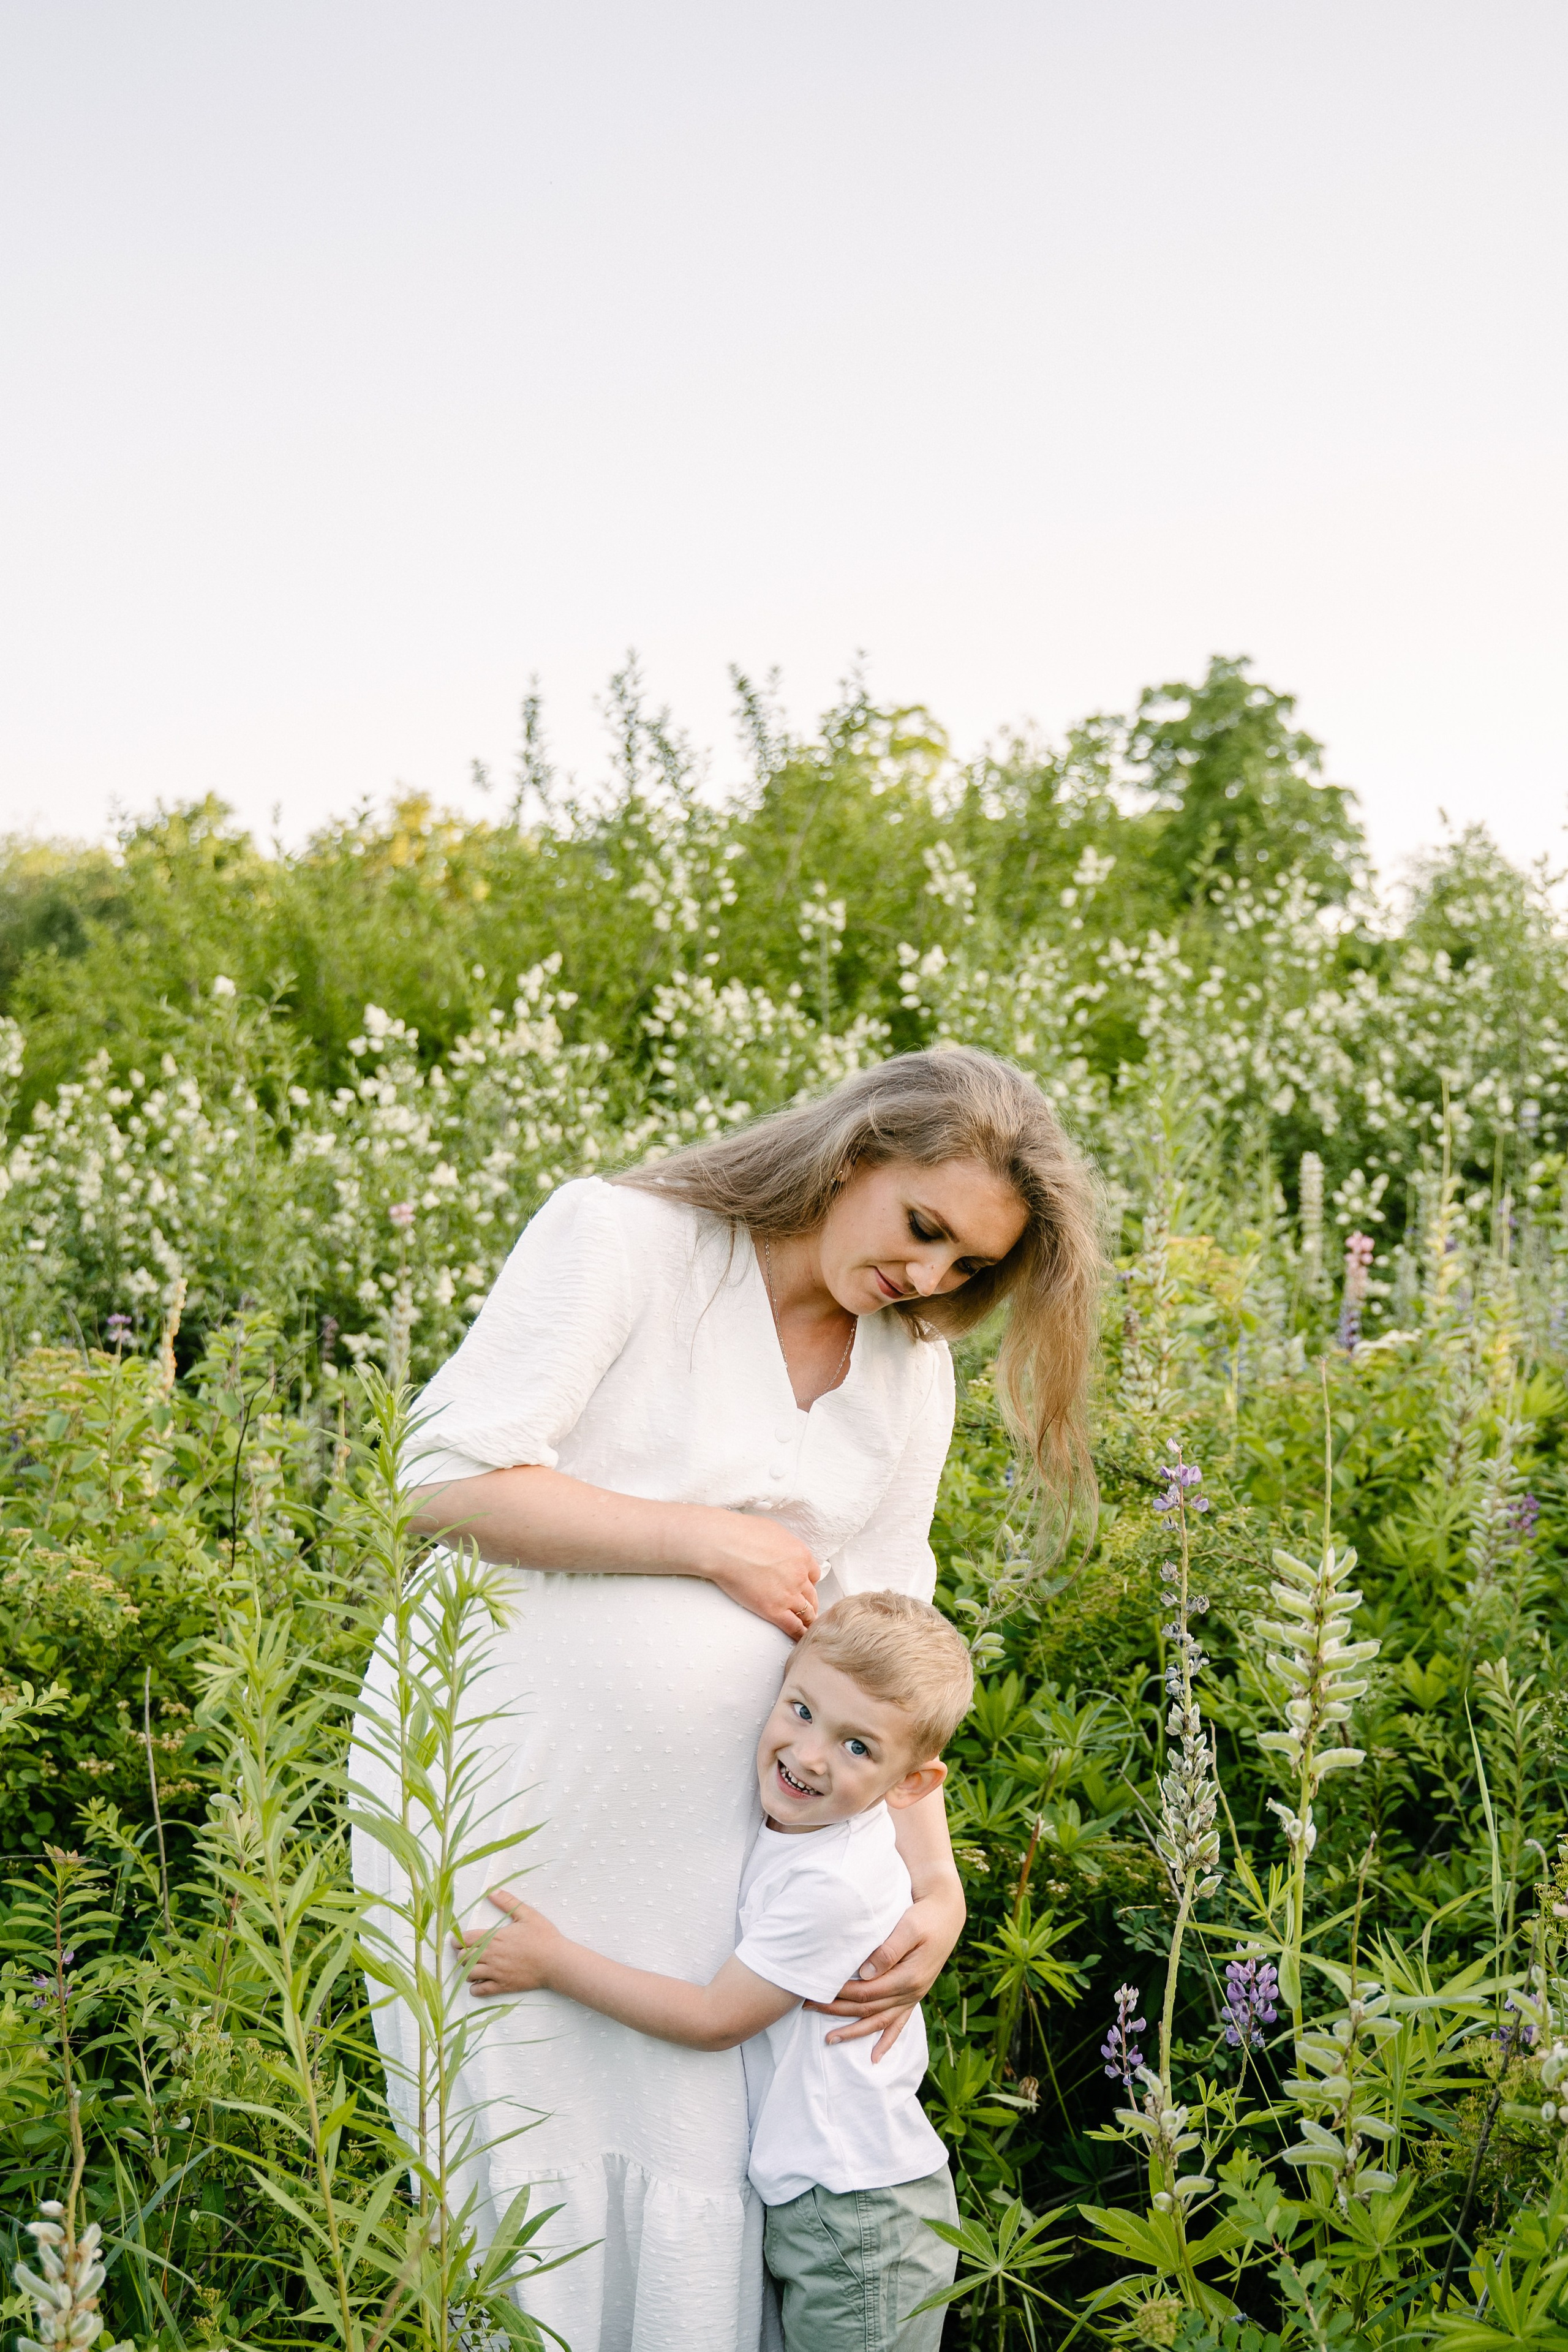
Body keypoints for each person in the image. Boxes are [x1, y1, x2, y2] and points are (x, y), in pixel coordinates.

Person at [351, 1045, 1100, 2351]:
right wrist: (704, 1539)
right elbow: (440, 1481)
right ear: (854, 1148)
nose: (928, 1278)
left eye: (966, 1267)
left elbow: (895, 1634)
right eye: (923, 1227)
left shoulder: (907, 1366)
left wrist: (932, 1884)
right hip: (514, 1792)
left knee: (697, 2154)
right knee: (534, 2155)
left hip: (741, 1844)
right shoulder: (628, 1240)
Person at [457, 1593, 976, 2352]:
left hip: (859, 2214)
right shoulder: (809, 1835)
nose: (809, 1755)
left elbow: (714, 2018)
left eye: (857, 1748)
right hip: (829, 2197)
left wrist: (553, 1962)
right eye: (800, 1710)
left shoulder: (833, 1883)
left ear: (912, 1787)